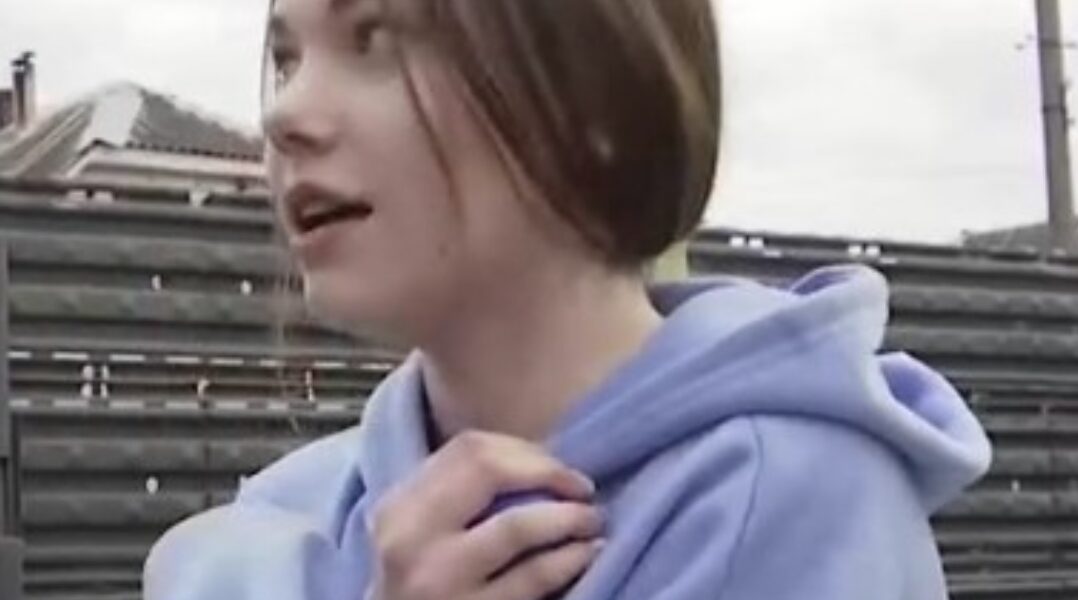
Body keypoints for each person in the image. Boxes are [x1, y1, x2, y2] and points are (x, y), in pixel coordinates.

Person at [143, 0, 992, 598]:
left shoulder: (787, 505)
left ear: (599, 103)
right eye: (286, 58)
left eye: (377, 38)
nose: (285, 114)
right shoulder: (279, 523)